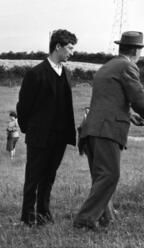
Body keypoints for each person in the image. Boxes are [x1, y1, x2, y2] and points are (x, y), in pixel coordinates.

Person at [73, 31, 144, 231]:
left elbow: (108, 98)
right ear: (136, 51)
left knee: (101, 175)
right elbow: (139, 98)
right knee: (110, 175)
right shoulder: (128, 66)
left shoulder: (108, 66)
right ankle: (85, 220)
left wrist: (128, 114)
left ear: (121, 47)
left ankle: (107, 217)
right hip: (106, 129)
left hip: (92, 128)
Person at [16, 29, 77, 226]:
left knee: (49, 176)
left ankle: (43, 213)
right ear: (57, 46)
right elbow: (23, 107)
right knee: (33, 177)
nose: (72, 52)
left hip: (59, 137)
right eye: (69, 48)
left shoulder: (67, 73)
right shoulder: (35, 74)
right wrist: (31, 130)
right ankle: (28, 216)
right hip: (39, 136)